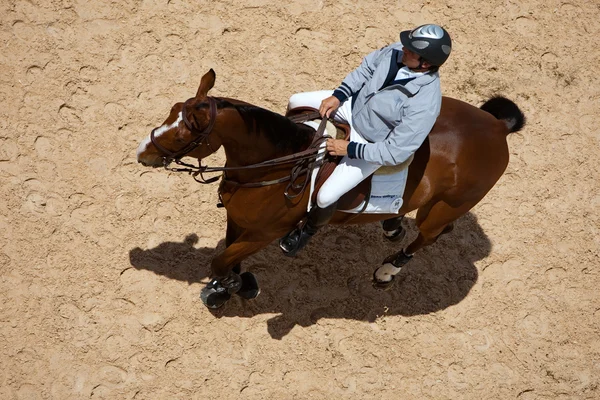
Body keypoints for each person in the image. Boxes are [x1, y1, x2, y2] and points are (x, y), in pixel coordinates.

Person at [280, 24, 452, 257]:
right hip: (351, 107)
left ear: (425, 64)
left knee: (326, 195)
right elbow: (365, 71)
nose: (404, 49)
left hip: (370, 142)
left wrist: (349, 148)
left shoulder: (425, 103)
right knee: (296, 100)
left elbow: (395, 152)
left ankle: (307, 230)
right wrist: (338, 96)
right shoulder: (397, 52)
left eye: (411, 50)